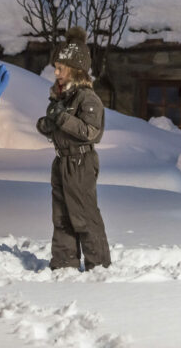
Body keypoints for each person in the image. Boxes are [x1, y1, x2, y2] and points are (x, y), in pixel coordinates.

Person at [35, 27, 111, 271]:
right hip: (62, 162)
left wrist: (62, 119)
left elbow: (92, 132)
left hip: (81, 162)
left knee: (83, 214)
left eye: (61, 68)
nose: (56, 73)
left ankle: (98, 264)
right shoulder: (61, 97)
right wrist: (47, 125)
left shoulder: (87, 98)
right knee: (62, 215)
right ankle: (64, 262)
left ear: (76, 69)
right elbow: (60, 128)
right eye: (56, 68)